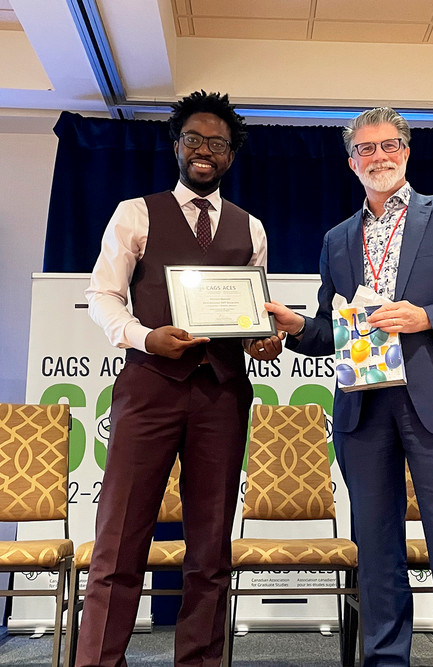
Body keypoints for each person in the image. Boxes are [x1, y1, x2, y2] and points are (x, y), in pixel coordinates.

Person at [265, 107, 433, 666]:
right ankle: (383, 661)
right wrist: (298, 327)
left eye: (388, 145)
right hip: (363, 407)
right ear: (352, 162)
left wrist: (425, 316)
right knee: (376, 551)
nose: (378, 156)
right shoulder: (337, 238)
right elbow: (335, 326)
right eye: (366, 149)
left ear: (406, 150)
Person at [78, 90, 282, 667]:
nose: (204, 151)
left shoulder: (251, 228)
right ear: (177, 145)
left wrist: (262, 341)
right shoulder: (135, 213)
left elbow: (250, 312)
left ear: (230, 156)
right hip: (148, 387)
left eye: (217, 144)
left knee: (211, 546)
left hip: (222, 393)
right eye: (194, 139)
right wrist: (148, 337)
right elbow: (103, 297)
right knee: (118, 541)